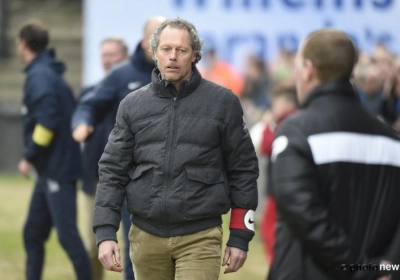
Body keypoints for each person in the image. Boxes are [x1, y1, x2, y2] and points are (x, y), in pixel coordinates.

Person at [93, 17, 259, 280]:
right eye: (166, 49)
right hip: (145, 237)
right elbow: (112, 171)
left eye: (181, 50)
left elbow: (244, 170)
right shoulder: (132, 105)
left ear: (194, 55)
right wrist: (105, 232)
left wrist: (240, 235)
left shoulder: (223, 103)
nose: (172, 57)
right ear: (154, 53)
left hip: (200, 236)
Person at [268, 28, 400, 280]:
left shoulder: (296, 132)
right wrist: (386, 269)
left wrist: (360, 269)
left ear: (307, 69)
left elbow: (305, 217)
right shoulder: (393, 142)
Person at [72, 16, 165, 280]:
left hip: (168, 180)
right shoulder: (122, 75)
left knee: (159, 252)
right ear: (145, 41)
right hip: (127, 177)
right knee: (127, 245)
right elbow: (90, 104)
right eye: (159, 40)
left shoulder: (181, 77)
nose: (168, 51)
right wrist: (83, 122)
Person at [16, 22, 92, 280]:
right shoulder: (47, 72)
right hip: (50, 170)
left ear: (23, 44)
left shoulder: (40, 76)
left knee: (67, 236)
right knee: (33, 234)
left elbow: (47, 122)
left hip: (57, 170)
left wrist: (29, 156)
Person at [78, 38, 129, 280]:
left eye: (113, 54)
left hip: (129, 179)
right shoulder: (90, 95)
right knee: (93, 243)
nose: (107, 60)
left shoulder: (137, 93)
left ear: (125, 57)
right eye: (104, 55)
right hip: (95, 177)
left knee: (132, 244)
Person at [258, 87, 297, 266]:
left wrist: (267, 125)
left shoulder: (287, 123)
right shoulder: (290, 121)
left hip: (282, 186)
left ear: (287, 104)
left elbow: (267, 146)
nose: (273, 107)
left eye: (276, 103)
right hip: (284, 185)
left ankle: (277, 265)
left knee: (269, 229)